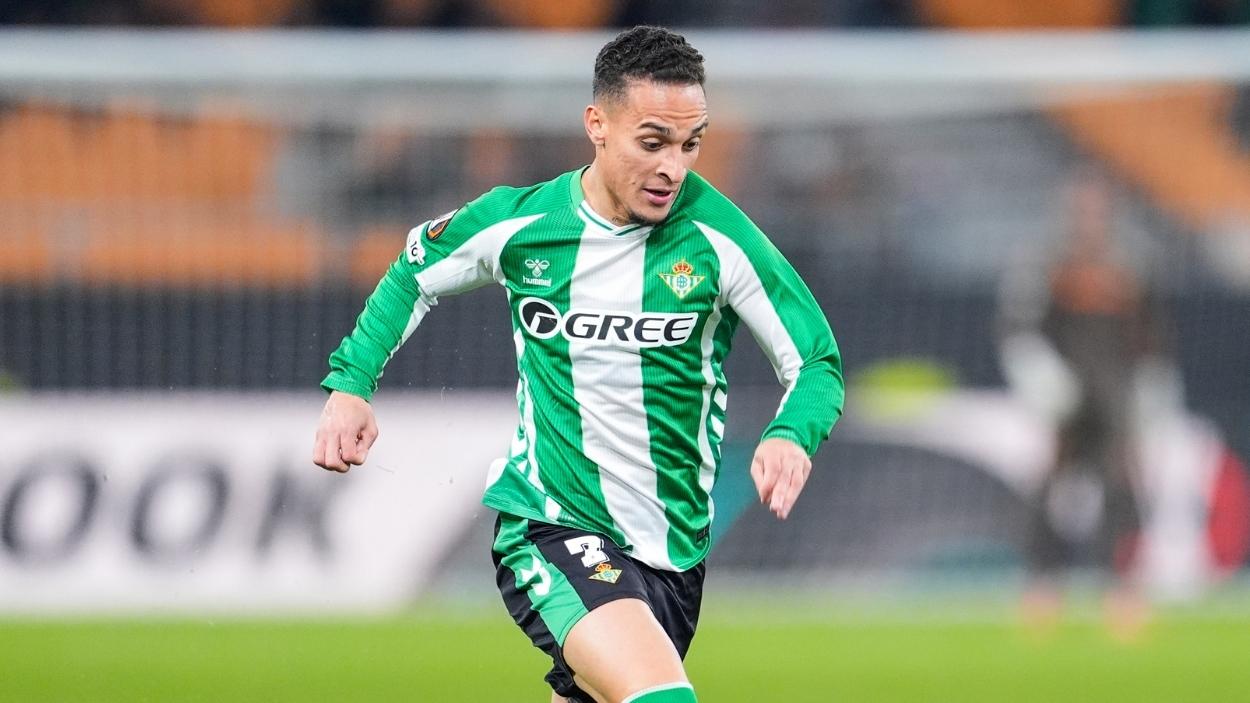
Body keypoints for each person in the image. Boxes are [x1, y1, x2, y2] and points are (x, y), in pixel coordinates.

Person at [313, 26, 844, 703]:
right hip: (551, 523)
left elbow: (817, 362)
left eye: (691, 144)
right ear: (597, 124)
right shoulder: (524, 224)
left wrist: (790, 432)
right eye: (651, 143)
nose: (673, 168)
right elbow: (414, 270)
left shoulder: (722, 240)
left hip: (672, 555)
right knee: (663, 697)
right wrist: (350, 386)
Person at [998, 167, 1161, 637]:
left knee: (1121, 487)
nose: (1090, 218)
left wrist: (1153, 382)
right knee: (1048, 486)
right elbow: (1020, 327)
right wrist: (1040, 375)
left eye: (1098, 209)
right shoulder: (1046, 262)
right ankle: (1042, 588)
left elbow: (1152, 333)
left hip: (1116, 394)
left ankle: (1123, 591)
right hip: (1064, 398)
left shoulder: (1132, 263)